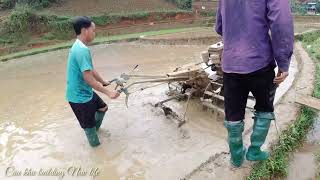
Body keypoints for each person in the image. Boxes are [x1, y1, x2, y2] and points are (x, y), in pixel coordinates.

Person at [215, 0, 294, 167]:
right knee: (264, 108)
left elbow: (220, 26)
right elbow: (281, 23)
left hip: (231, 64)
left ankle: (236, 157)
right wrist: (283, 61)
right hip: (260, 63)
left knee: (233, 113)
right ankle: (254, 151)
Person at [66, 16, 120, 147]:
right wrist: (108, 93)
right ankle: (95, 147)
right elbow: (88, 79)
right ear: (85, 30)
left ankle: (93, 129)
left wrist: (103, 81)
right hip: (79, 98)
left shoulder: (80, 46)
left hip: (85, 92)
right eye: (93, 30)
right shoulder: (81, 50)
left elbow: (90, 69)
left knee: (102, 108)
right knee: (90, 133)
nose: (94, 33)